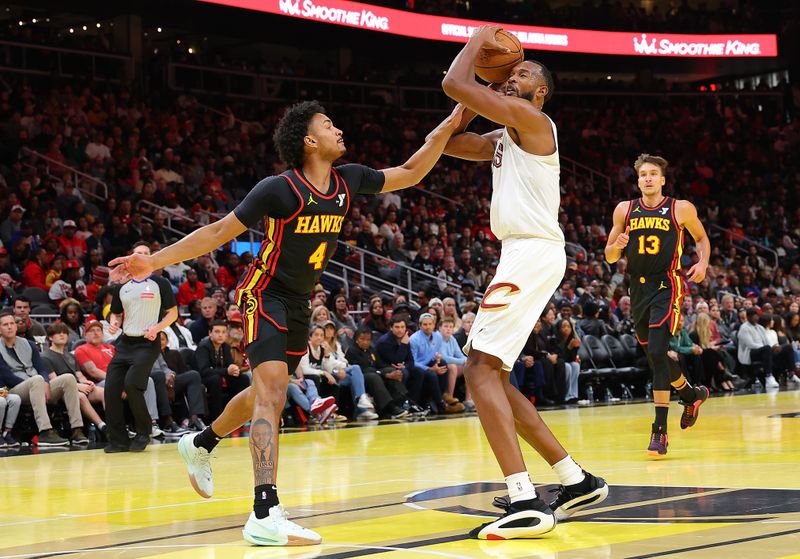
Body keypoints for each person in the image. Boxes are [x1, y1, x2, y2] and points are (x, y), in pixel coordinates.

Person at [109, 99, 463, 546]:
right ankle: (264, 510)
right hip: (264, 294)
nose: (339, 129)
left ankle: (200, 443)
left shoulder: (348, 178)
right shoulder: (279, 188)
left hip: (299, 301)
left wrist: (449, 124)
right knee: (273, 393)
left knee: (263, 391)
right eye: (329, 124)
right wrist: (152, 261)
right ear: (309, 140)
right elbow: (218, 232)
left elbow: (411, 172)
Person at [440, 25, 608, 539]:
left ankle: (524, 499)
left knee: (478, 370)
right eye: (507, 73)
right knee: (494, 373)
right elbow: (449, 142)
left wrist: (474, 44)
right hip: (522, 252)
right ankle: (574, 479)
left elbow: (452, 82)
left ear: (539, 92)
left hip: (531, 251)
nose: (513, 77)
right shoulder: (505, 134)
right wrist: (473, 98)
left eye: (523, 73)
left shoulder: (534, 120)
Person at [606, 153, 711, 458]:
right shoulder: (624, 210)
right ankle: (691, 395)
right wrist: (616, 246)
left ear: (663, 179)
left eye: (653, 174)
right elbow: (609, 256)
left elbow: (702, 238)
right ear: (637, 180)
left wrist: (703, 263)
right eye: (643, 175)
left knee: (656, 352)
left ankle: (659, 432)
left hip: (668, 285)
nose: (648, 178)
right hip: (637, 289)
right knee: (656, 358)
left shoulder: (680, 208)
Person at [104, 242, 178, 453]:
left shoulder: (159, 283)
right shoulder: (122, 286)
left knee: (132, 384)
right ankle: (117, 440)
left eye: (147, 253)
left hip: (147, 344)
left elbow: (172, 313)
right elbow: (116, 313)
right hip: (125, 343)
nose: (143, 256)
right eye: (139, 253)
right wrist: (114, 322)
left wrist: (157, 328)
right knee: (111, 389)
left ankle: (144, 431)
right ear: (131, 257)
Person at [0, 310, 86, 446]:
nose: (10, 326)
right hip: (15, 389)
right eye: (5, 324)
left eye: (12, 323)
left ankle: (76, 429)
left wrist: (45, 382)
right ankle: (45, 431)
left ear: (16, 327)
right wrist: (37, 383)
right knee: (37, 380)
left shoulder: (29, 344)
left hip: (37, 383)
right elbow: (7, 376)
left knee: (68, 378)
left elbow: (41, 368)